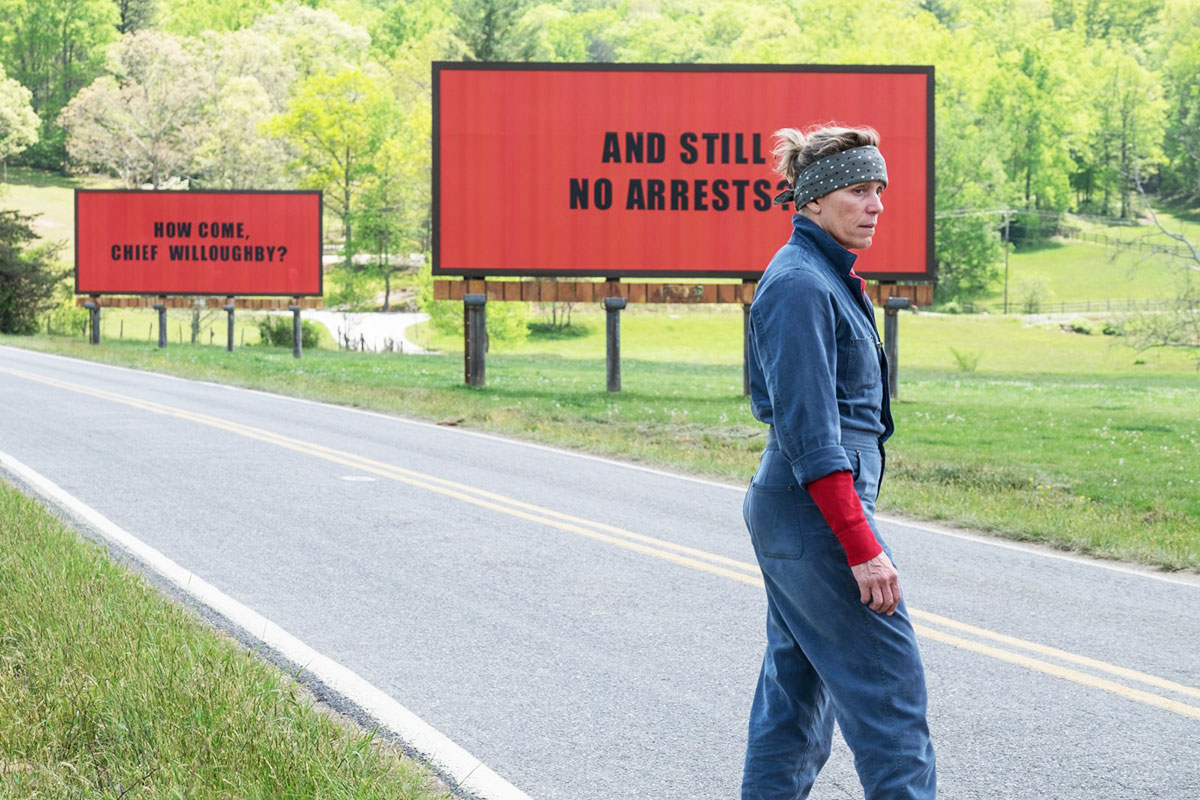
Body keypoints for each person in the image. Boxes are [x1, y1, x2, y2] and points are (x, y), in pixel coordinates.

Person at [740, 124, 936, 799]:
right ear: (814, 201)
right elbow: (811, 435)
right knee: (891, 700)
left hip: (804, 511)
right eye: (859, 189)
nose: (876, 204)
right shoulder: (799, 285)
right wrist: (861, 545)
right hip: (815, 512)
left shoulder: (821, 276)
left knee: (795, 699)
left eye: (880, 189)